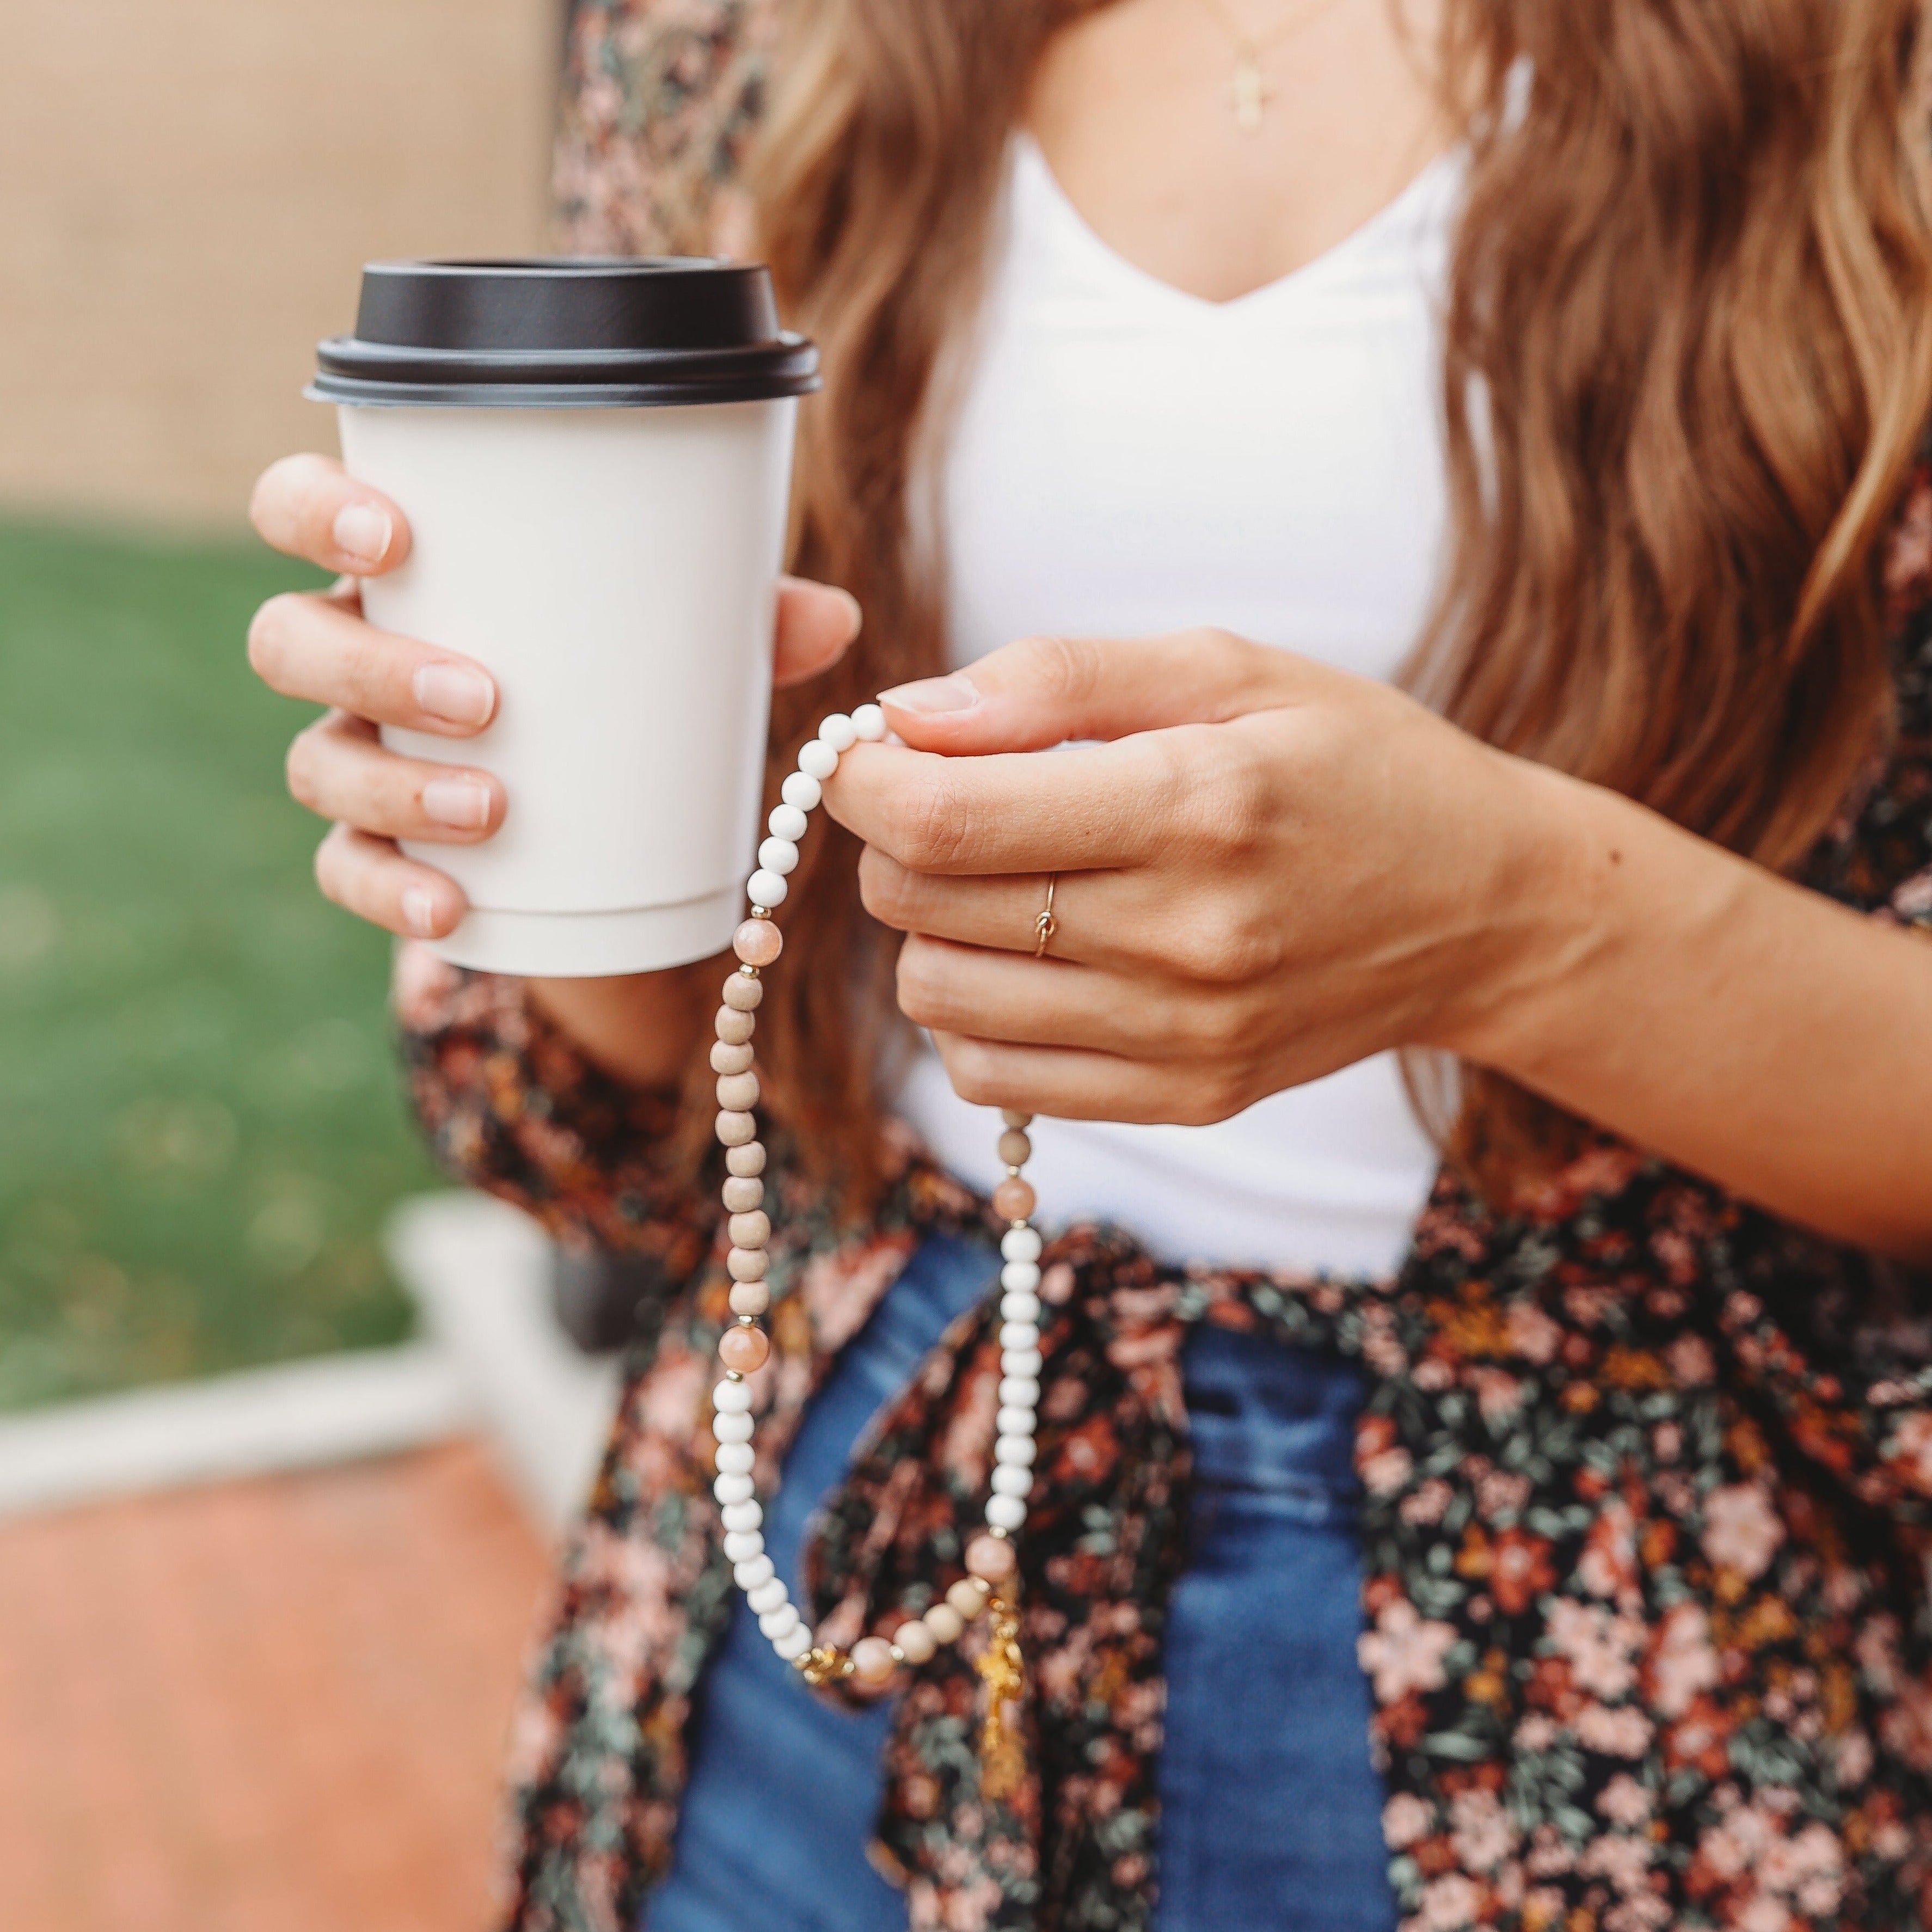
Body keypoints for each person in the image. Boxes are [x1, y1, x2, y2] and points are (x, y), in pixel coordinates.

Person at [244, 1, 1932, 1927]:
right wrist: (530, 801)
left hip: (1592, 1659)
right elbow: (631, 1077)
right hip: (835, 1523)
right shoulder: (742, 37)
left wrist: (1522, 926)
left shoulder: (1873, 71)